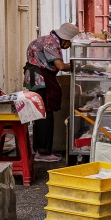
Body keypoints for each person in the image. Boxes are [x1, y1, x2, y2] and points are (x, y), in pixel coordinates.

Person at [23, 23, 78, 162]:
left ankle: (39, 149)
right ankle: (44, 153)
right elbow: (60, 65)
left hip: (35, 79)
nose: (69, 46)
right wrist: (77, 66)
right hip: (40, 80)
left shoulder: (45, 39)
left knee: (39, 113)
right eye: (70, 42)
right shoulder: (51, 43)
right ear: (65, 39)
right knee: (45, 114)